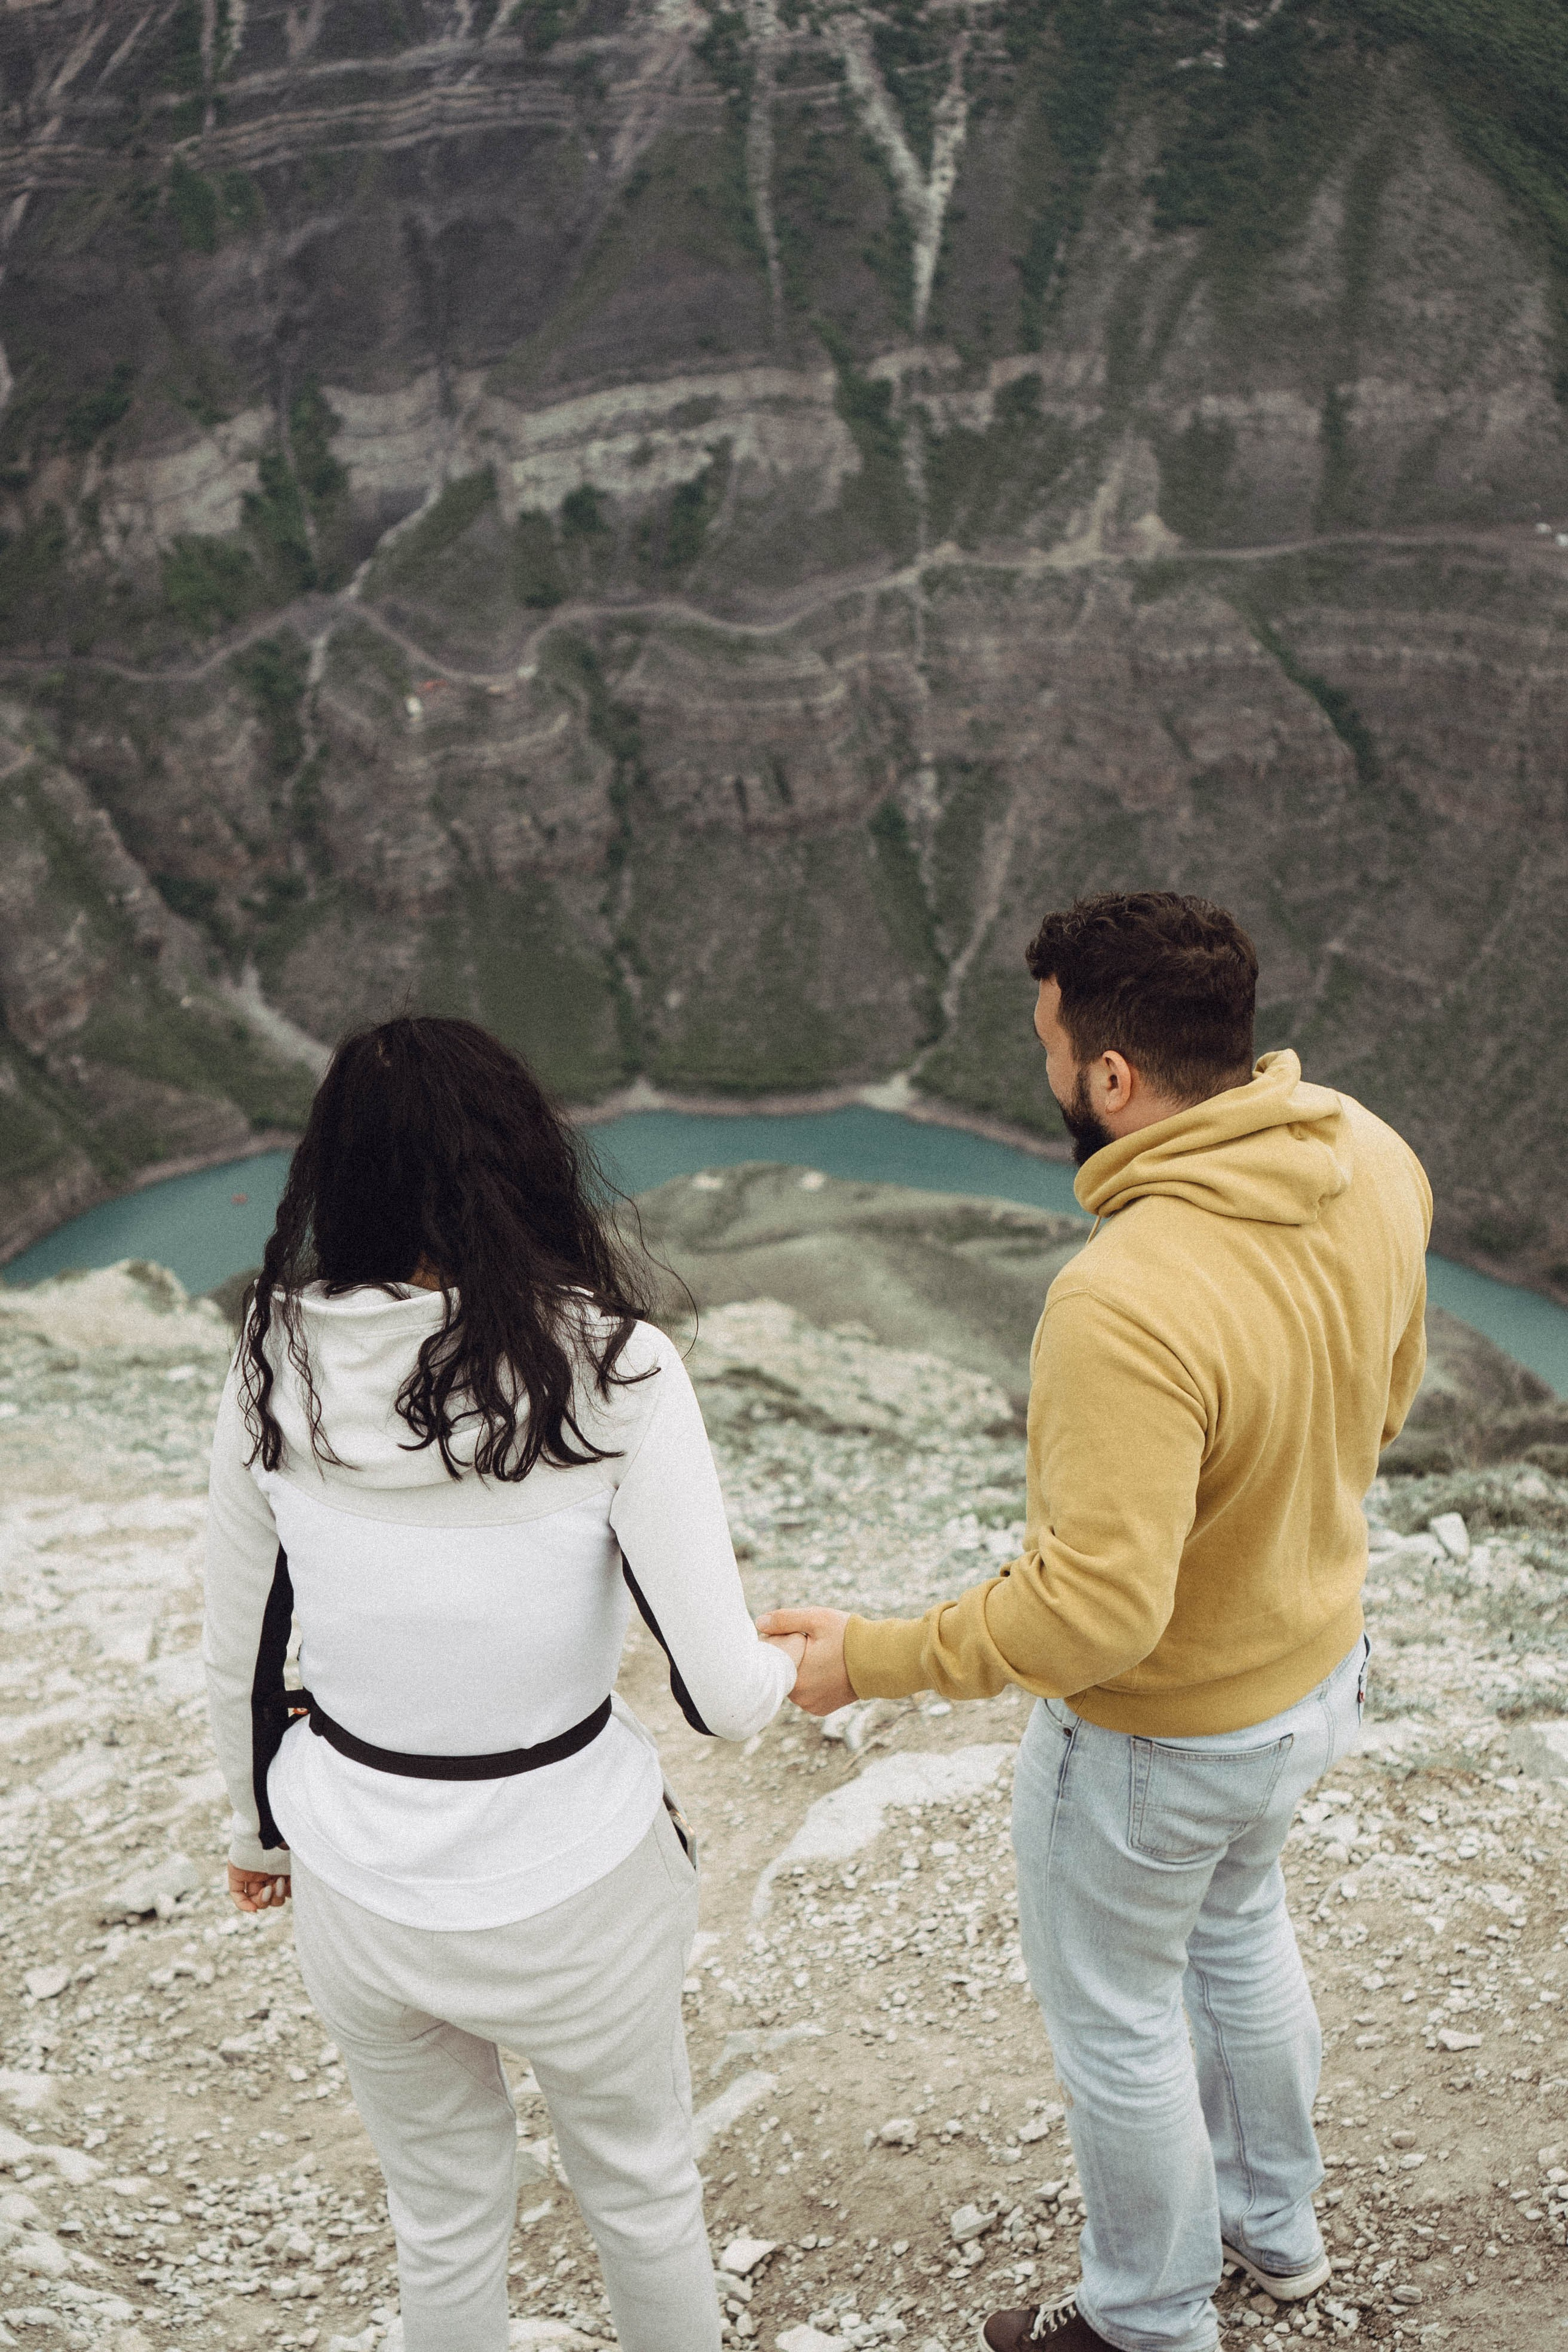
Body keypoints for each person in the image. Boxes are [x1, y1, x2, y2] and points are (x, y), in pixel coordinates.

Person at [761, 891, 1431, 2352]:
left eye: (1051, 1049)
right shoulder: (1370, 1154)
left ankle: (1147, 2321)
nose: (1046, 1071)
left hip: (1158, 1744)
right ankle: (1275, 2231)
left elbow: (1090, 1617)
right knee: (1238, 1933)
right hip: (1314, 1676)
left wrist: (868, 1658)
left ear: (1111, 1078)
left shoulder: (1121, 1296)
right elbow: (1383, 1401)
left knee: (1119, 2021)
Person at [203, 1017, 804, 2352]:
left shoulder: (269, 1364)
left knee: (441, 2220)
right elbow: (720, 1694)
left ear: (337, 1180)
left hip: (358, 1880)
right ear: (525, 1162)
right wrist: (798, 1665)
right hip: (578, 1882)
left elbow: (239, 1648)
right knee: (643, 2198)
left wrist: (256, 1838)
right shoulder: (616, 1366)